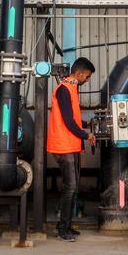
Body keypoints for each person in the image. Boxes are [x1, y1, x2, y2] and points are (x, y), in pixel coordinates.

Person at [46, 57, 96, 241]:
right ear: (79, 73)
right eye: (87, 76)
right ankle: (62, 230)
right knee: (70, 187)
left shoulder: (71, 89)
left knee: (73, 188)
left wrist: (86, 124)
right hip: (63, 145)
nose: (87, 80)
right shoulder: (64, 90)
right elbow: (68, 122)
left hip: (70, 145)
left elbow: (72, 118)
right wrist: (86, 135)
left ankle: (66, 225)